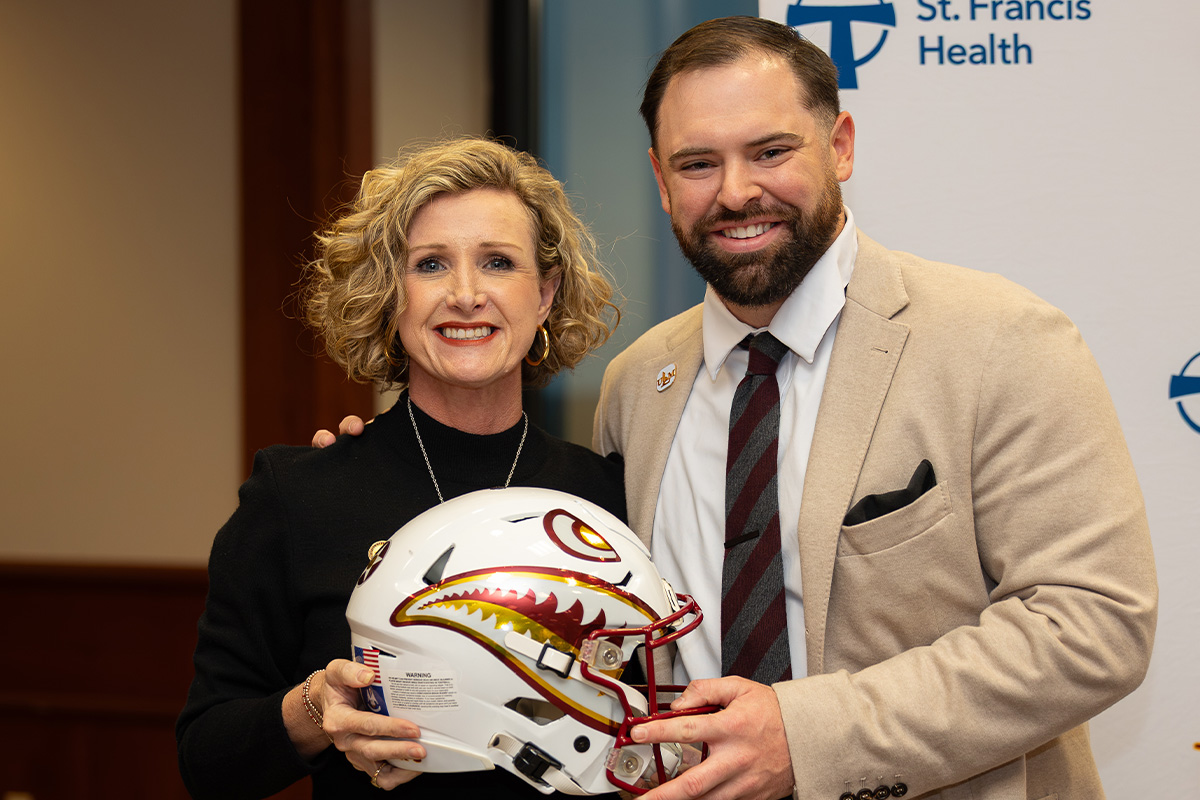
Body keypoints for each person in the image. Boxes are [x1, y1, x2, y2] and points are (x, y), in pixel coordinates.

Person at [318, 16, 1157, 800]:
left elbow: (1093, 626)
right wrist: (378, 462)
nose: (736, 192)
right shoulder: (638, 384)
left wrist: (805, 734)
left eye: (769, 151)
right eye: (698, 163)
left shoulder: (1000, 342)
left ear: (841, 145)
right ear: (658, 177)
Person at [177, 136, 625, 799]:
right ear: (390, 294)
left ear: (546, 295)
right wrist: (314, 708)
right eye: (431, 265)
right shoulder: (297, 496)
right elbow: (208, 760)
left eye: (499, 262)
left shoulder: (604, 498)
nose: (466, 294)